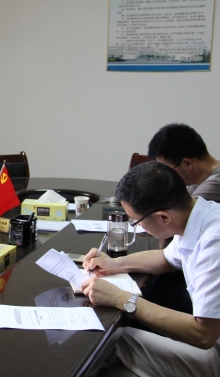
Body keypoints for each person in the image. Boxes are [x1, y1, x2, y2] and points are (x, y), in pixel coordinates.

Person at [81, 161, 220, 376]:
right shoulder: (198, 215)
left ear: (163, 217)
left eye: (136, 221)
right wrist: (114, 264)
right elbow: (166, 258)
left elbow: (203, 334)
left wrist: (120, 298)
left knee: (107, 340)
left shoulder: (214, 241)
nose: (137, 226)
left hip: (213, 350)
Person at [148, 123, 220, 203]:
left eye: (167, 170)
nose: (166, 176)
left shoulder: (215, 182)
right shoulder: (197, 179)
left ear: (187, 164)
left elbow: (179, 210)